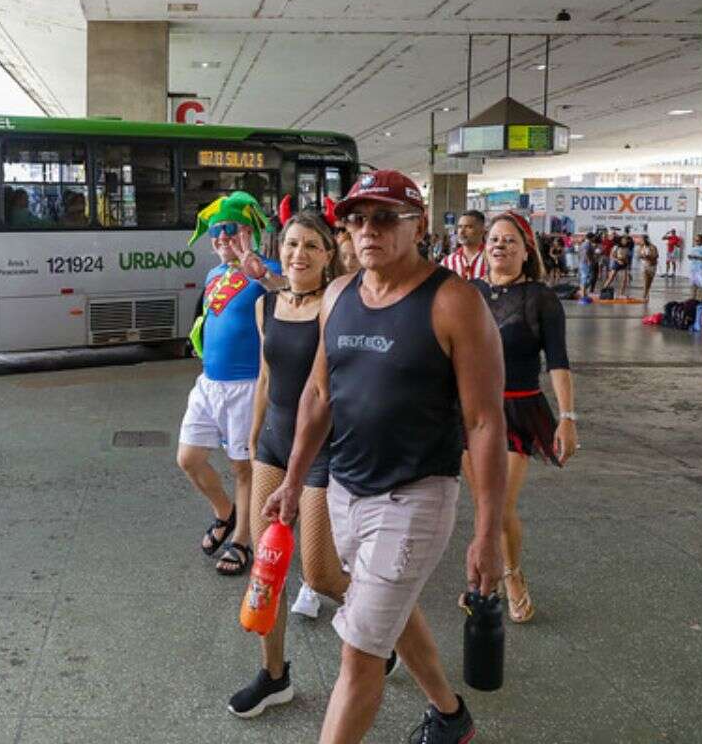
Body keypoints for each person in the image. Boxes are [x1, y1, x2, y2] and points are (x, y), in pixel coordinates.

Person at [264, 170, 507, 744]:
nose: (366, 229)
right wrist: (293, 481)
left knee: (358, 654)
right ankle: (450, 717)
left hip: (414, 496)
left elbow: (484, 421)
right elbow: (319, 393)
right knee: (390, 616)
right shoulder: (340, 295)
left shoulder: (453, 302)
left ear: (417, 224)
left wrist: (489, 531)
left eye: (382, 217)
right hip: (346, 491)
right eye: (355, 218)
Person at [230, 207, 353, 717]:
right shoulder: (268, 306)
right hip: (276, 444)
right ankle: (274, 675)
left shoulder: (339, 304)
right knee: (268, 567)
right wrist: (255, 433)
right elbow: (265, 376)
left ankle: (384, 623)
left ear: (328, 256)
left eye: (310, 246)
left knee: (322, 575)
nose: (298, 253)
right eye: (291, 244)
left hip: (324, 445)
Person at [466, 212, 578, 624]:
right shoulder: (469, 292)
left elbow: (559, 362)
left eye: (510, 240)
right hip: (471, 412)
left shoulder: (540, 297)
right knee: (483, 506)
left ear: (526, 249)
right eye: (494, 239)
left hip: (517, 410)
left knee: (499, 506)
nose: (500, 245)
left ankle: (511, 576)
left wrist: (567, 417)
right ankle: (484, 578)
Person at [179, 192, 281, 577]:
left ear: (250, 231)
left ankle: (242, 539)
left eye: (230, 229)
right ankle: (225, 510)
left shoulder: (264, 268)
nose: (221, 238)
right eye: (215, 232)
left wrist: (262, 274)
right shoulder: (213, 275)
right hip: (209, 383)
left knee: (243, 467)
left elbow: (290, 292)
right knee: (188, 458)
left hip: (246, 386)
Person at [441, 210, 487, 279]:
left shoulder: (494, 258)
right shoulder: (447, 262)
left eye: (468, 227)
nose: (462, 231)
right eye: (460, 227)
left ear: (482, 230)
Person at [638, 234, 659, 302]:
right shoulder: (641, 247)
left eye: (641, 239)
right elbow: (640, 255)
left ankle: (646, 294)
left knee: (649, 282)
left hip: (652, 266)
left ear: (645, 240)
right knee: (645, 281)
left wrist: (648, 257)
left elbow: (656, 256)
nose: (640, 241)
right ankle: (644, 296)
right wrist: (642, 256)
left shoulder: (652, 247)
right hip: (644, 266)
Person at [577, 232, 598, 300]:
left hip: (582, 262)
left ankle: (584, 292)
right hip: (585, 263)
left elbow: (579, 253)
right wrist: (589, 261)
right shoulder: (587, 244)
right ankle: (583, 293)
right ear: (591, 237)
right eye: (594, 237)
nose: (595, 238)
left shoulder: (584, 244)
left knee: (587, 277)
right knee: (586, 278)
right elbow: (586, 252)